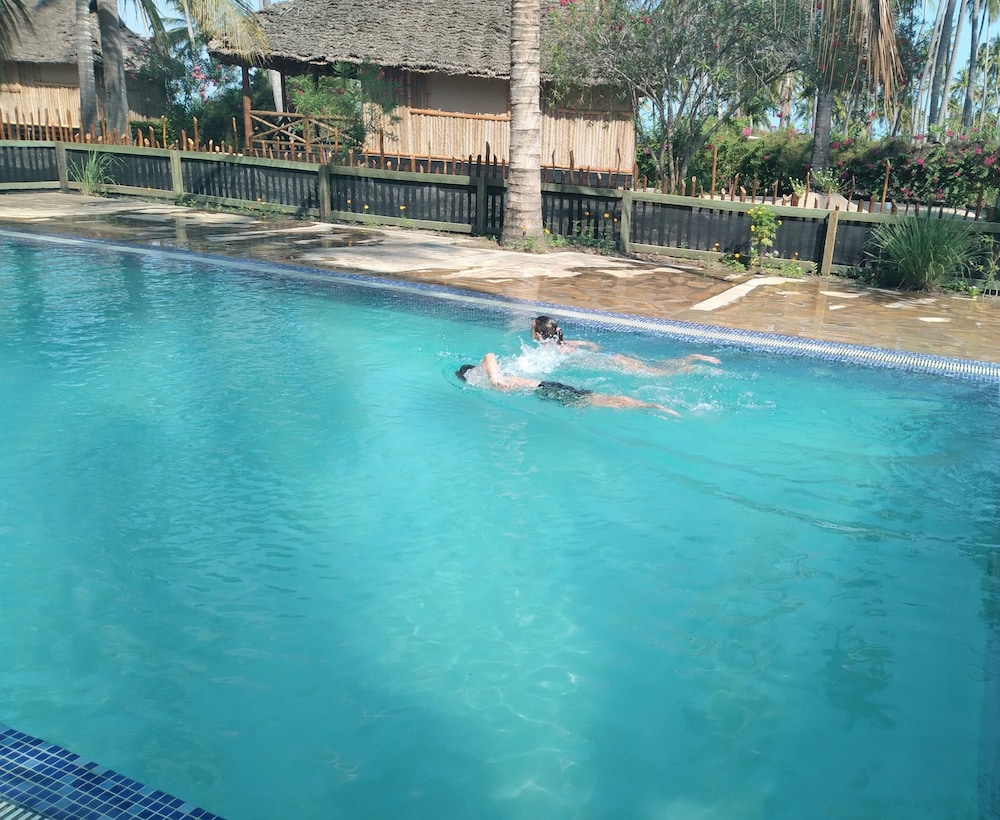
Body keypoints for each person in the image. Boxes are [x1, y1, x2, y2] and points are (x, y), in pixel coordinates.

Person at [456, 353, 680, 416]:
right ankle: (646, 405)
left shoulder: (480, 376)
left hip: (544, 388)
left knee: (596, 400)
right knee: (594, 401)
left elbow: (490, 356)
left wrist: (494, 378)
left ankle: (649, 405)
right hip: (543, 392)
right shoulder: (483, 380)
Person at [530, 315, 721, 374]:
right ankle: (692, 358)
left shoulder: (550, 350)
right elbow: (589, 344)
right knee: (653, 367)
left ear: (539, 334)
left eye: (532, 329)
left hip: (611, 362)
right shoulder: (563, 343)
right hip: (611, 357)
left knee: (655, 374)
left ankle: (691, 364)